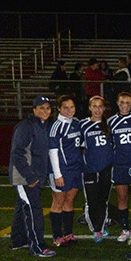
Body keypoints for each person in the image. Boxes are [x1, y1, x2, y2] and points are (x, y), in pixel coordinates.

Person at [9, 95, 56, 257]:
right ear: (34, 109)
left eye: (48, 108)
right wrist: (30, 177)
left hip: (33, 176)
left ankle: (18, 240)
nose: (45, 111)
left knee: (22, 207)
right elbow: (17, 154)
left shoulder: (42, 126)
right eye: (41, 108)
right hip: (24, 177)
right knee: (33, 209)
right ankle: (37, 246)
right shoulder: (26, 127)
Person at [108, 92, 131, 243]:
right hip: (120, 164)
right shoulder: (110, 121)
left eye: (128, 103)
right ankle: (124, 228)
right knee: (122, 198)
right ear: (117, 103)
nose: (125, 105)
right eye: (122, 102)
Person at [48, 95, 83, 247]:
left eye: (72, 107)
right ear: (59, 109)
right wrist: (57, 174)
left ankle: (68, 233)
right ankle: (57, 236)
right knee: (58, 202)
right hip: (62, 170)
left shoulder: (76, 123)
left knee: (69, 201)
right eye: (66, 108)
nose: (70, 110)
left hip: (75, 169)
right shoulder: (56, 126)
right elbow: (52, 151)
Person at [80, 96, 114, 243]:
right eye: (94, 106)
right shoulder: (82, 125)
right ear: (89, 107)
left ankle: (100, 227)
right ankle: (94, 228)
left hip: (106, 168)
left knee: (103, 199)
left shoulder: (109, 124)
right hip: (90, 168)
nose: (97, 109)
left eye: (100, 106)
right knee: (91, 200)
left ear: (104, 108)